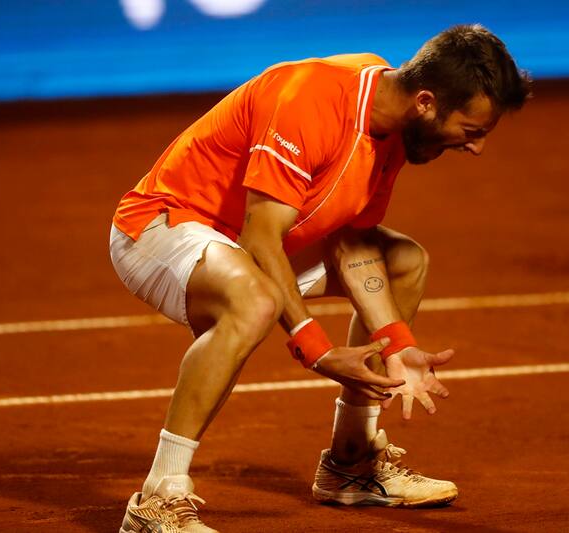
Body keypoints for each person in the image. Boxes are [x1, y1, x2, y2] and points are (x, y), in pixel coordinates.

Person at [110, 24, 531, 533]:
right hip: (163, 225)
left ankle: (351, 466)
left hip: (246, 241)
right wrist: (316, 347)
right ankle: (158, 498)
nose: (475, 148)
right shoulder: (312, 99)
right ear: (426, 102)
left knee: (404, 261)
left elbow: (351, 241)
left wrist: (396, 343)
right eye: (471, 131)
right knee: (255, 299)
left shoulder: (392, 125)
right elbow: (261, 236)